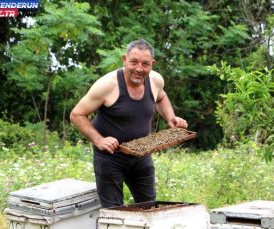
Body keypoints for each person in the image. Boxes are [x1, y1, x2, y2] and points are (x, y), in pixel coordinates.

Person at [70, 39, 188, 208]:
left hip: (141, 154)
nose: (139, 69)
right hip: (110, 157)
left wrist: (171, 117)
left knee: (148, 207)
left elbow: (161, 97)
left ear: (152, 64)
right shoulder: (107, 85)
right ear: (124, 60)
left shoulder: (155, 80)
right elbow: (77, 114)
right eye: (134, 62)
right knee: (114, 211)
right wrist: (99, 140)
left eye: (145, 64)